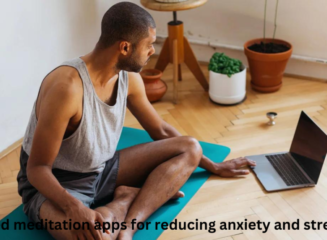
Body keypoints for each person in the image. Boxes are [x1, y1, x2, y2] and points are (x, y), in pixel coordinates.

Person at [16, 2, 256, 240]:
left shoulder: (128, 77)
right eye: (149, 45)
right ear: (124, 47)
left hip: (101, 169)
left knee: (190, 147)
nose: (153, 51)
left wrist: (211, 165)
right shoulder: (67, 88)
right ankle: (125, 199)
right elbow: (36, 169)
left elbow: (160, 129)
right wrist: (73, 207)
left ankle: (130, 224)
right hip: (56, 184)